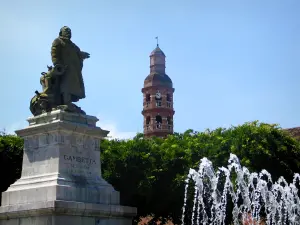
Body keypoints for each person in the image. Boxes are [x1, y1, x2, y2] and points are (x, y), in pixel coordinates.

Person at [51, 26, 90, 105]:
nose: (68, 32)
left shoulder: (73, 45)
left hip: (74, 70)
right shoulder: (58, 41)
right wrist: (58, 65)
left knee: (73, 86)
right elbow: (54, 53)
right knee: (66, 86)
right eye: (66, 30)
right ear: (61, 32)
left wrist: (82, 55)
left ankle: (69, 102)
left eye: (69, 31)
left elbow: (78, 53)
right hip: (65, 68)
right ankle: (66, 102)